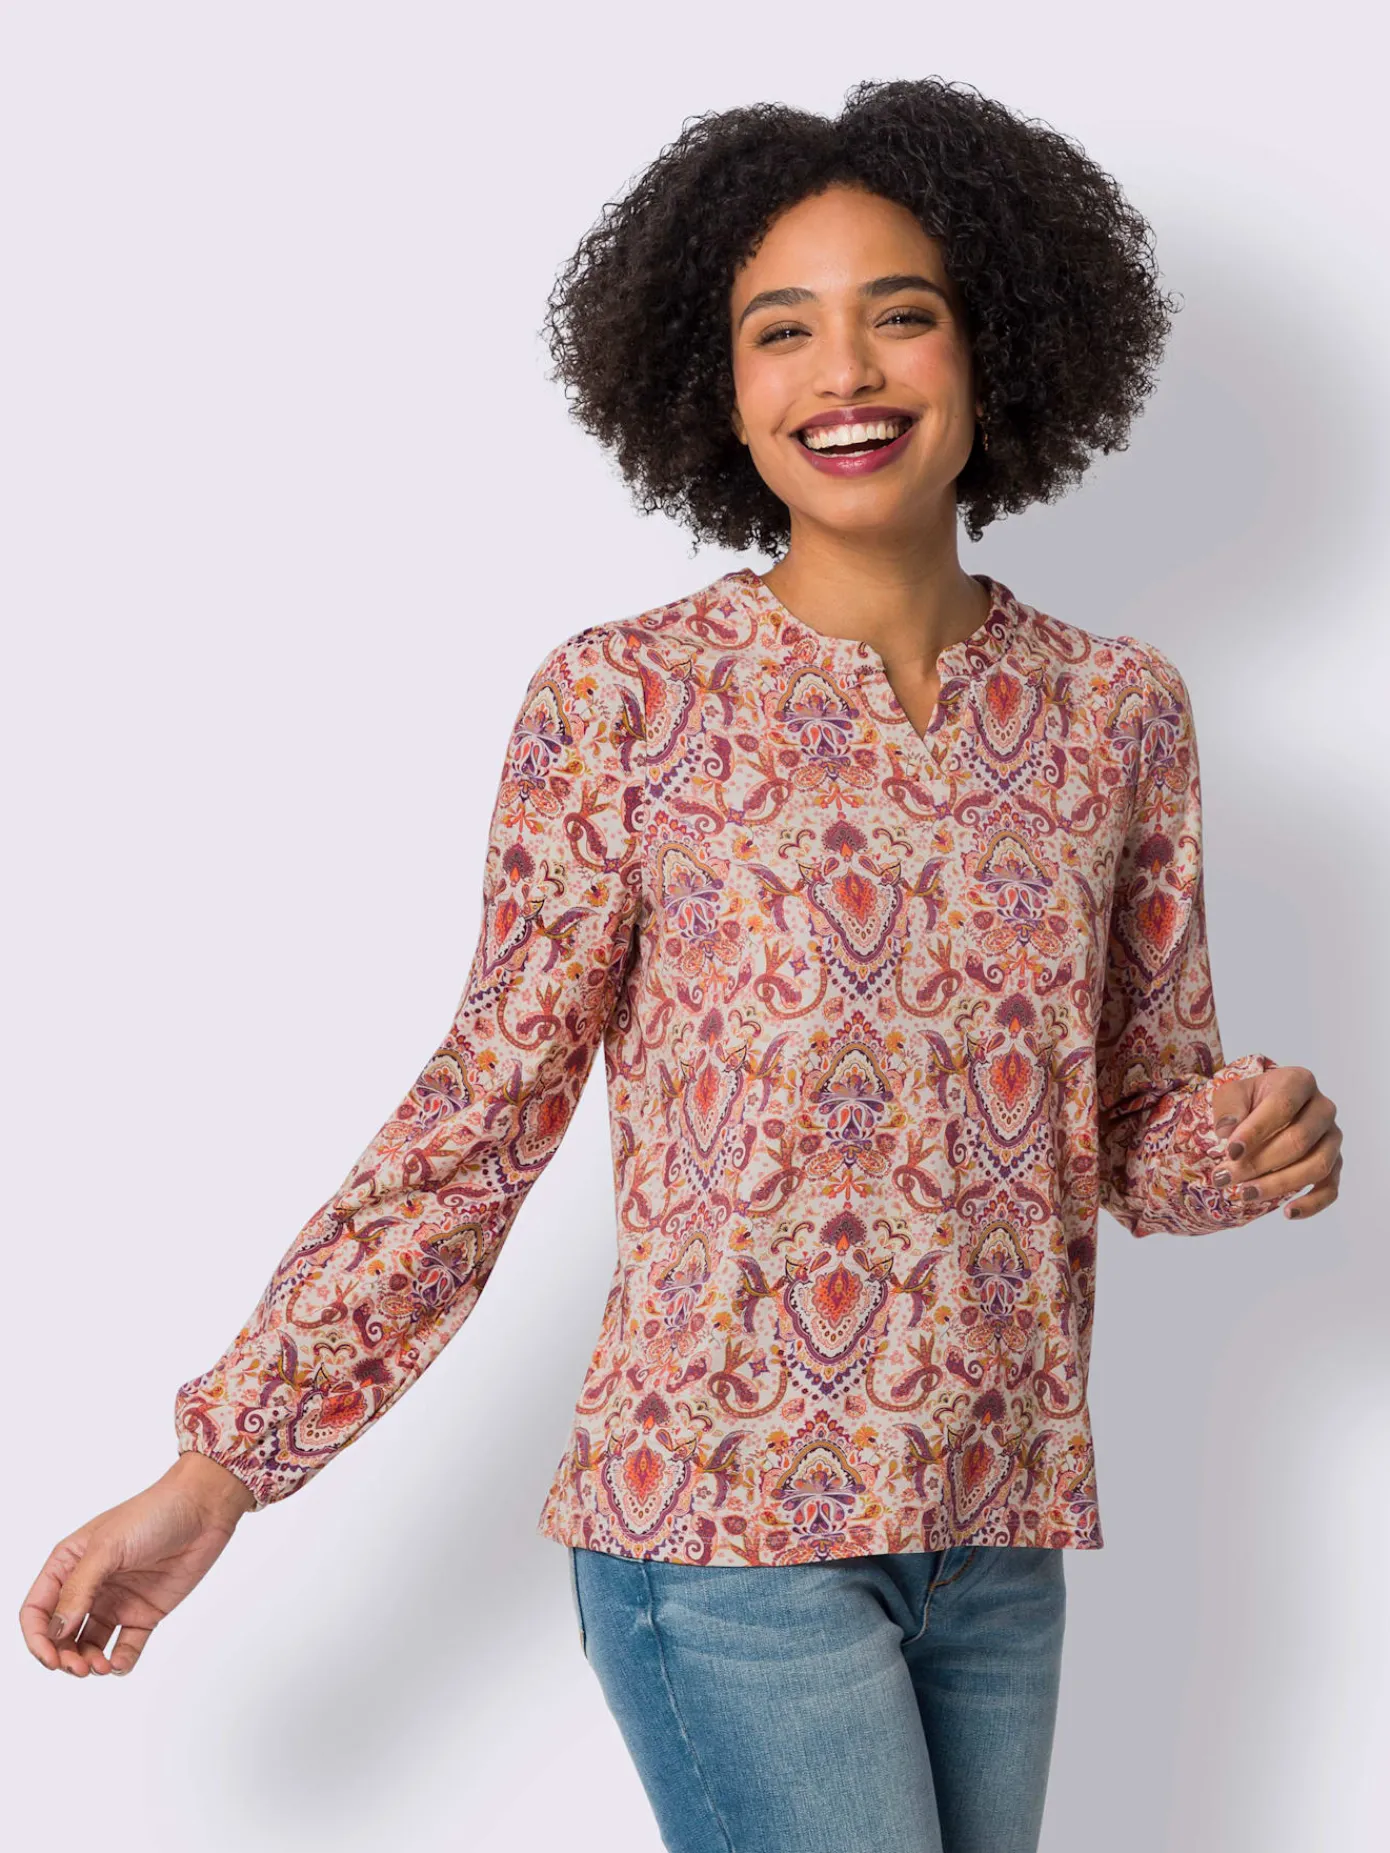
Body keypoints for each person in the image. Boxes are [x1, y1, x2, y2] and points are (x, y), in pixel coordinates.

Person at [20, 77, 1342, 1853]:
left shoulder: (1118, 712)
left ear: (994, 347)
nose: (842, 373)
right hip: (718, 1529)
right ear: (715, 388)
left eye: (899, 315)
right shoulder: (623, 704)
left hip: (1000, 1528)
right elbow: (480, 1121)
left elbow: (1133, 1135)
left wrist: (1247, 1143)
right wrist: (220, 1470)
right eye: (779, 330)